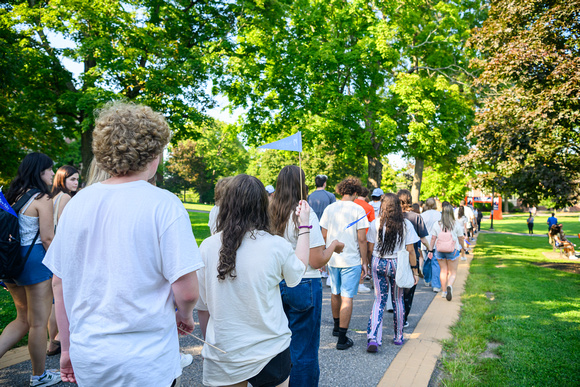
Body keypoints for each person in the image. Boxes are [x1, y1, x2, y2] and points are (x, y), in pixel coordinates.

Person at [43, 102, 203, 386]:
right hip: (147, 360)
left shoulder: (78, 203)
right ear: (154, 154)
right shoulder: (164, 204)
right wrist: (187, 317)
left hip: (90, 355)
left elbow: (59, 282)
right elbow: (187, 291)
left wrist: (65, 348)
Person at [196, 174, 311, 387]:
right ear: (262, 206)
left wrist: (208, 343)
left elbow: (203, 308)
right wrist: (304, 226)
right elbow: (299, 269)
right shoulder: (276, 245)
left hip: (224, 351)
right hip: (270, 350)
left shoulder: (207, 247)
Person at [270, 166, 343, 387]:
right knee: (304, 349)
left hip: (276, 283)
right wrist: (333, 246)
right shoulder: (304, 211)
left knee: (278, 346)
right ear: (302, 185)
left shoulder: (270, 211)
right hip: (304, 283)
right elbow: (316, 259)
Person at [0, 152, 60, 386]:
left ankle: (39, 374)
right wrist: (60, 264)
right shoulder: (42, 198)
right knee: (37, 323)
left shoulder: (11, 194)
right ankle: (39, 376)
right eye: (49, 169)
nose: (53, 173)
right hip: (34, 263)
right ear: (39, 171)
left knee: (22, 319)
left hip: (11, 262)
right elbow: (47, 238)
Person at [320, 177, 369, 350]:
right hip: (351, 259)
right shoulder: (358, 209)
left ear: (341, 191)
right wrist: (365, 261)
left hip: (333, 257)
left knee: (335, 292)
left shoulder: (329, 208)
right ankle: (342, 338)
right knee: (347, 297)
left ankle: (335, 327)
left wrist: (323, 255)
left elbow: (324, 235)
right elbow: (362, 239)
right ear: (356, 192)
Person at [366, 193, 419, 350]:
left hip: (378, 262)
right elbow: (411, 250)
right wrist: (415, 271)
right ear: (398, 206)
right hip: (398, 265)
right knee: (398, 299)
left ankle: (373, 337)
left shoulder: (375, 224)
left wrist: (368, 266)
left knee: (379, 300)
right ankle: (398, 336)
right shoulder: (406, 225)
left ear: (382, 205)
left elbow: (370, 248)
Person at [47, 165, 80, 357]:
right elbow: (66, 228)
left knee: (54, 300)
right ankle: (59, 339)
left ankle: (53, 341)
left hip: (50, 252)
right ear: (62, 180)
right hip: (63, 251)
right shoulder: (66, 198)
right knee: (65, 298)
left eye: (77, 180)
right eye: (72, 180)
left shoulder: (52, 197)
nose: (76, 183)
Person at [397, 190, 430, 327]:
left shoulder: (394, 216)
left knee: (396, 288)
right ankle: (403, 318)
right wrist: (430, 248)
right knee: (409, 289)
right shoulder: (416, 217)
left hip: (396, 255)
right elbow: (422, 238)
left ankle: (396, 313)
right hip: (412, 255)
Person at [428, 204, 465, 301]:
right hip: (453, 250)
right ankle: (450, 285)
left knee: (443, 270)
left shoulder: (437, 224)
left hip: (440, 250)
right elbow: (461, 238)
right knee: (452, 272)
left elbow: (433, 238)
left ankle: (444, 292)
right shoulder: (455, 224)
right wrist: (463, 248)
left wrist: (430, 250)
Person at [354, 186, 375, 293]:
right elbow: (372, 223)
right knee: (363, 259)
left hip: (351, 235)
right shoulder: (369, 207)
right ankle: (360, 283)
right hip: (365, 235)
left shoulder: (352, 203)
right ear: (367, 195)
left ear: (356, 193)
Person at [420, 198, 442, 292]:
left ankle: (427, 278)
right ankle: (435, 282)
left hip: (425, 240)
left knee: (426, 260)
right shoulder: (439, 214)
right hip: (436, 240)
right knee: (435, 262)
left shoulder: (423, 215)